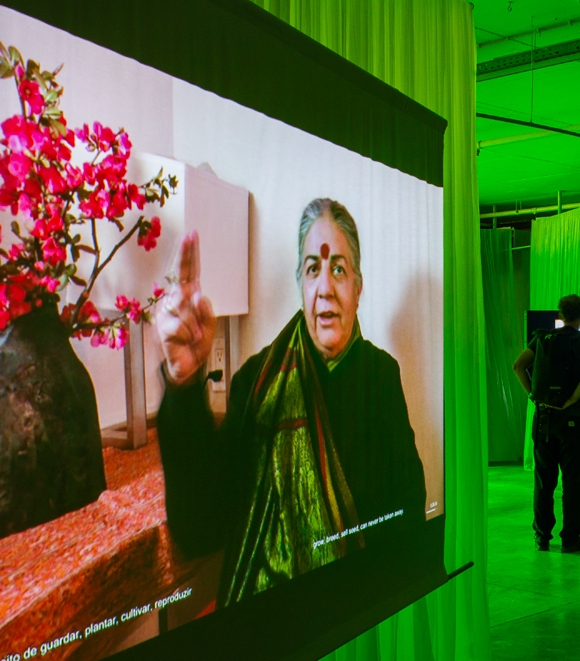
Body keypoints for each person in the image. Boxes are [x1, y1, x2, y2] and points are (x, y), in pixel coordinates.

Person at [155, 199, 427, 606]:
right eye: (313, 269)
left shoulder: (381, 376)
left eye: (339, 269)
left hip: (358, 614)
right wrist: (184, 383)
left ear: (358, 289)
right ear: (301, 285)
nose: (326, 288)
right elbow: (200, 529)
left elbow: (407, 516)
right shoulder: (258, 380)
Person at [513, 294, 580, 552]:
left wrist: (532, 394)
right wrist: (572, 399)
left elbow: (518, 366)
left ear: (560, 315)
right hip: (574, 420)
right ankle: (570, 539)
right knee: (572, 482)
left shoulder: (542, 338)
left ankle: (542, 536)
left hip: (544, 418)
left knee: (544, 481)